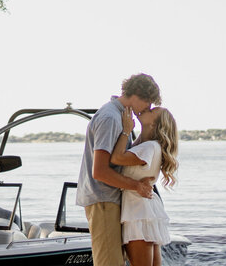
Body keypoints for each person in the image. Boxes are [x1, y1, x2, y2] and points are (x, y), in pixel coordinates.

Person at [76, 74, 162, 266]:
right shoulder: (110, 118)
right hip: (103, 199)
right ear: (137, 95)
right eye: (148, 105)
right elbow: (99, 171)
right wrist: (137, 186)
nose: (147, 110)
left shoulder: (120, 117)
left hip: (109, 199)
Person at [112, 106, 179, 266]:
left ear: (154, 124)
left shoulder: (149, 148)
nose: (146, 110)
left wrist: (126, 130)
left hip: (138, 211)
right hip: (143, 209)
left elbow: (117, 158)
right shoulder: (149, 145)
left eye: (151, 112)